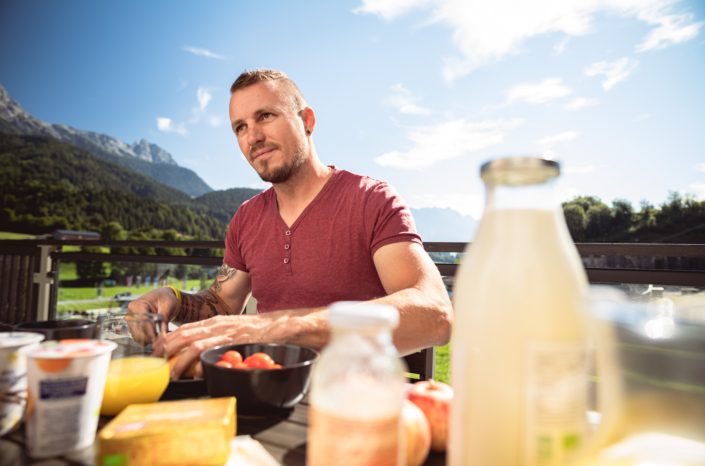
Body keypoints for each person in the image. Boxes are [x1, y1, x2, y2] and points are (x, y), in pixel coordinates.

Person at [129, 69, 453, 379]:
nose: (253, 137)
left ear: (307, 121)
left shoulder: (371, 199)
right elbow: (222, 304)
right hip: (257, 388)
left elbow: (434, 313)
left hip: (351, 402)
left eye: (265, 116)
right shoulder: (246, 218)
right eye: (239, 127)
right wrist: (174, 298)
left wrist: (274, 328)